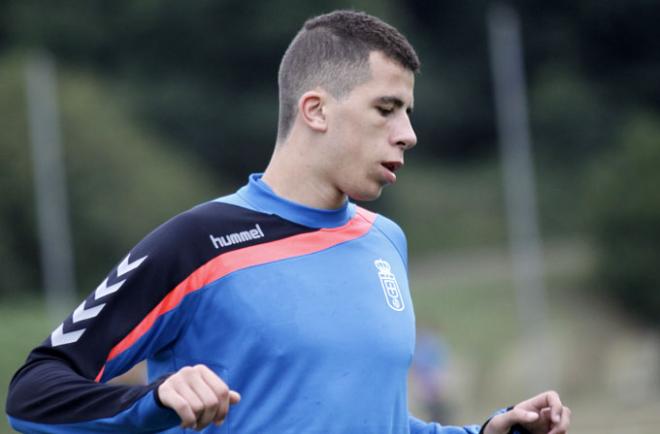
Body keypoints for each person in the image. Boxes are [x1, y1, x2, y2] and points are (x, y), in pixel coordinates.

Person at [6, 10, 571, 434]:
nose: (408, 134)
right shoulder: (199, 243)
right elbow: (33, 392)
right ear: (316, 110)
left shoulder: (384, 241)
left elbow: (379, 422)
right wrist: (151, 402)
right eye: (385, 109)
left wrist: (483, 433)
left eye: (408, 113)